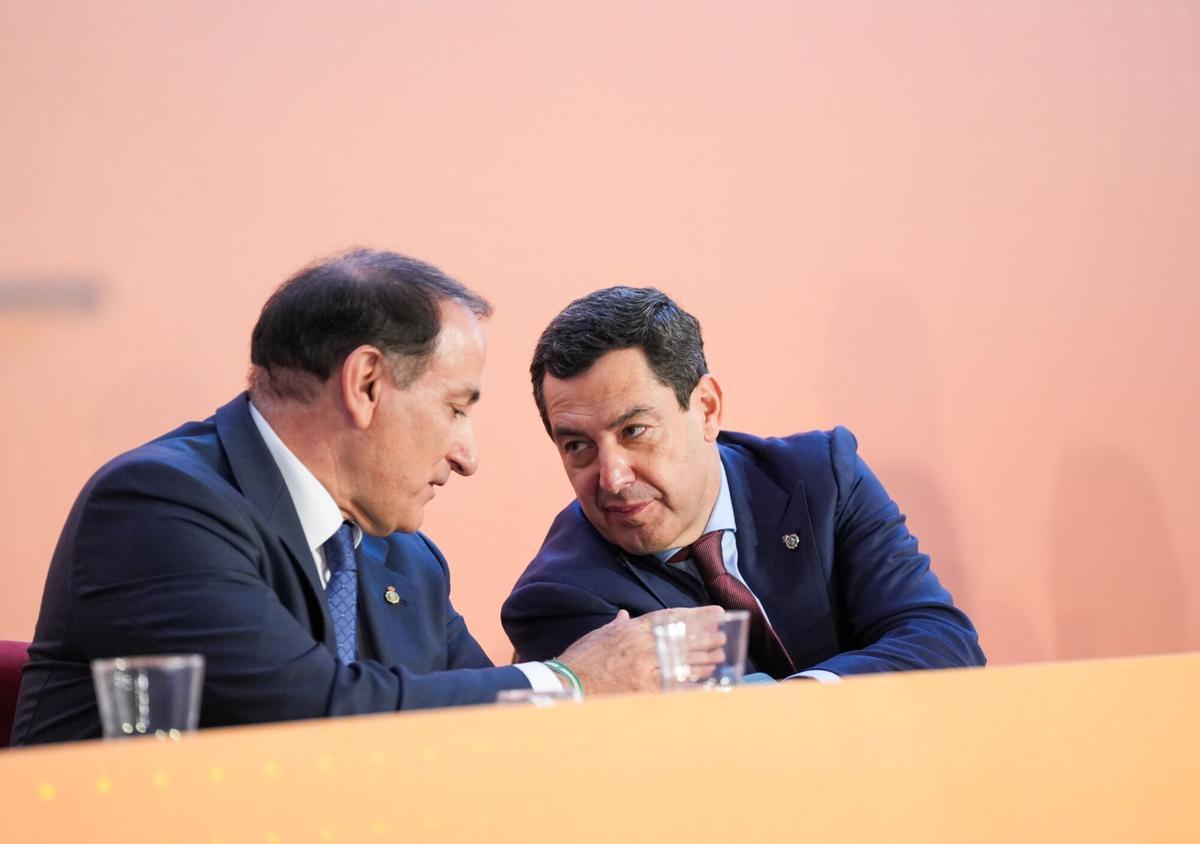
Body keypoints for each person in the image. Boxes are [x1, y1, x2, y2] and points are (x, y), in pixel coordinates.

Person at [11, 251, 722, 745]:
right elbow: (311, 714)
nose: (467, 455)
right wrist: (571, 680)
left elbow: (497, 734)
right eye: (455, 408)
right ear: (367, 384)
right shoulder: (158, 507)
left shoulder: (403, 562)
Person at [502, 286, 985, 681]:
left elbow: (942, 641)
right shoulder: (560, 595)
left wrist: (799, 699)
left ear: (707, 409)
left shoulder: (821, 478)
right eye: (578, 447)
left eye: (634, 432)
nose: (613, 476)